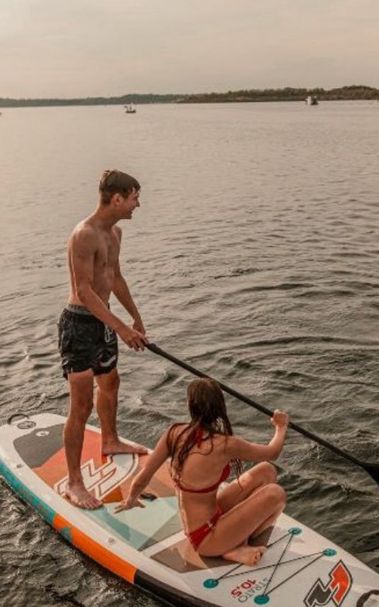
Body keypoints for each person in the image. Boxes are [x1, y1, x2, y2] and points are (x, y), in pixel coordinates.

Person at [117, 378, 289, 566]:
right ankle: (232, 548)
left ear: (190, 406)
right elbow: (272, 452)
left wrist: (131, 499)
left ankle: (236, 539)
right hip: (207, 538)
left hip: (209, 518)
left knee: (266, 471)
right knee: (275, 493)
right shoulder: (224, 445)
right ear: (219, 407)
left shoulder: (174, 433)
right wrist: (281, 427)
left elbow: (144, 475)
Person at [58, 169, 149, 509]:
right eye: (134, 197)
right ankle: (74, 482)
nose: (137, 204)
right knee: (80, 406)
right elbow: (84, 291)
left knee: (111, 384)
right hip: (79, 325)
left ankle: (110, 440)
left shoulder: (116, 234)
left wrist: (135, 317)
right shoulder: (84, 235)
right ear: (117, 198)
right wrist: (122, 329)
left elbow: (115, 278)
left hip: (105, 322)